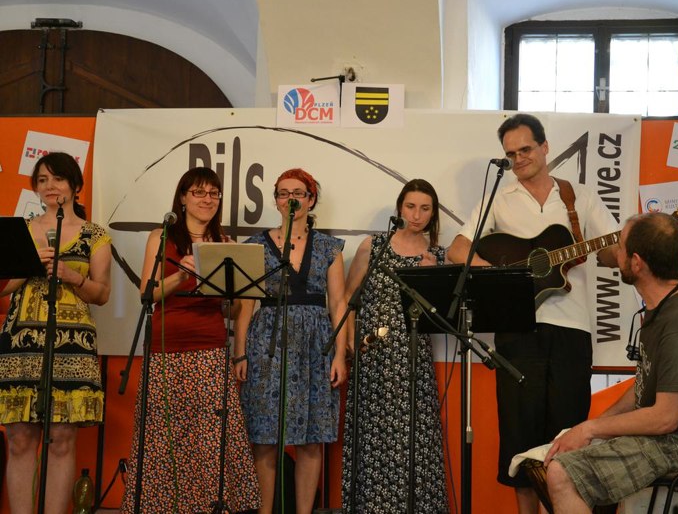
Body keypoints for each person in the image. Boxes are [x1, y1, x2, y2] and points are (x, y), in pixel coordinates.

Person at [447, 113, 619, 514]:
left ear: (544, 147)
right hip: (517, 332)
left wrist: (626, 242)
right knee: (519, 440)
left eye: (525, 149)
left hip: (572, 332)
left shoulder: (578, 197)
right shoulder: (500, 198)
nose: (518, 158)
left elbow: (612, 253)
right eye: (510, 154)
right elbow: (457, 249)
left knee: (567, 439)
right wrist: (502, 277)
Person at [544, 211, 678, 513]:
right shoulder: (661, 309)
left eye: (620, 247)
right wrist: (589, 429)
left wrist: (590, 430)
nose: (614, 253)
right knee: (558, 460)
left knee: (561, 474)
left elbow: (664, 418)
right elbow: (643, 387)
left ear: (636, 263)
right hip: (671, 438)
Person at [120, 167, 260, 513]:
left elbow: (235, 308)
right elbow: (147, 293)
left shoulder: (226, 244)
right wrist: (182, 275)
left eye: (213, 193)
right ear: (182, 198)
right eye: (198, 192)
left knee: (211, 438)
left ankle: (209, 507)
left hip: (210, 348)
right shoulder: (162, 236)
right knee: (163, 436)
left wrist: (233, 295)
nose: (207, 199)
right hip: (166, 348)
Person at [0, 152, 111, 513]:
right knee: (19, 438)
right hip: (21, 344)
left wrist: (72, 276)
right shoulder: (20, 230)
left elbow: (102, 294)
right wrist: (27, 266)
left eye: (58, 178)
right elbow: (3, 289)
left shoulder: (95, 235)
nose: (50, 186)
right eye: (42, 179)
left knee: (62, 438)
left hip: (72, 346)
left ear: (75, 185)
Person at [233, 168, 348, 514]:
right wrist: (240, 353)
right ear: (276, 201)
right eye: (283, 193)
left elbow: (338, 303)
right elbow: (246, 304)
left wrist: (339, 355)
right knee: (265, 439)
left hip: (316, 345)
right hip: (267, 344)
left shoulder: (329, 247)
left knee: (311, 439)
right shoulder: (255, 245)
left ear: (311, 200)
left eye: (298, 193)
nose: (290, 199)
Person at [341, 179, 448, 513]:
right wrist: (350, 346)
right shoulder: (373, 246)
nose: (416, 215)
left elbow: (442, 316)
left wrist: (433, 279)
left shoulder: (436, 256)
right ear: (399, 207)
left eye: (425, 209)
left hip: (414, 362)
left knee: (415, 441)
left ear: (433, 214)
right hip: (373, 359)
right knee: (373, 441)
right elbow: (348, 299)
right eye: (410, 206)